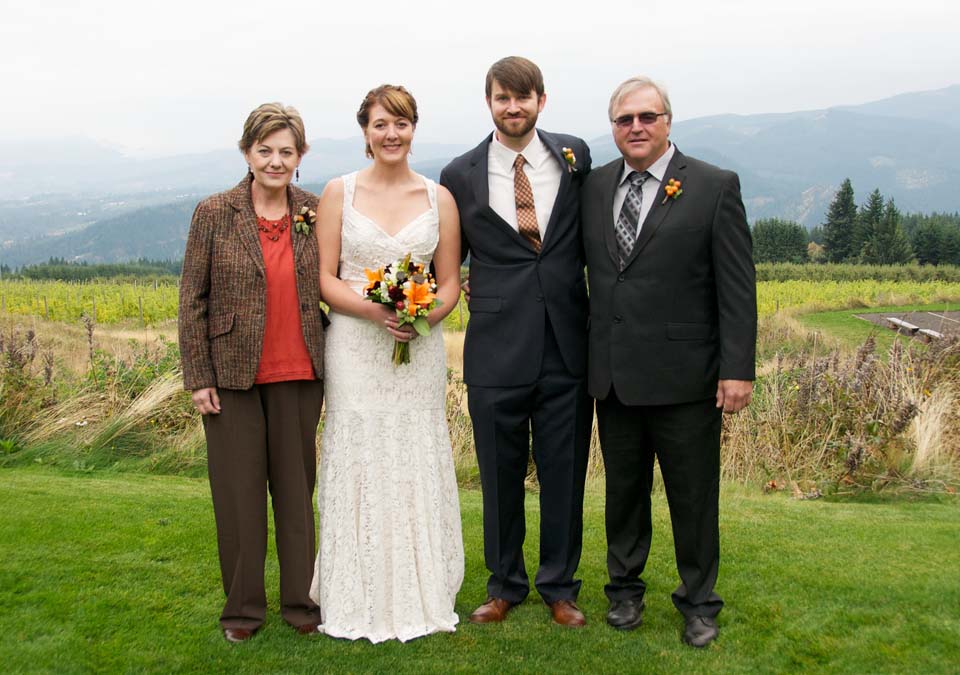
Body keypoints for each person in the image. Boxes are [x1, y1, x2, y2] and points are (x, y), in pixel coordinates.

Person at [581, 76, 757, 647]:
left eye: (647, 117)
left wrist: (738, 368)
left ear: (668, 122)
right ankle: (624, 593)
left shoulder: (712, 186)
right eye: (624, 119)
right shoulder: (595, 186)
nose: (636, 127)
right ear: (612, 127)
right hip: (615, 377)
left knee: (693, 498)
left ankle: (699, 603)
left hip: (689, 379)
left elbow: (736, 287)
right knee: (623, 495)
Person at [439, 56, 593, 627]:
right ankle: (504, 585)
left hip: (566, 346)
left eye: (523, 97)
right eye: (502, 97)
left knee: (564, 473)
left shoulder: (574, 156)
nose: (513, 107)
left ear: (541, 101)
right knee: (498, 476)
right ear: (489, 103)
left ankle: (560, 587)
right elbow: (448, 260)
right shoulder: (459, 174)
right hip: (496, 347)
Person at [308, 85, 464, 643]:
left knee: (413, 446)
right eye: (380, 125)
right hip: (355, 344)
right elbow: (325, 278)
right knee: (360, 446)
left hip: (417, 348)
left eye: (401, 124)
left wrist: (421, 312)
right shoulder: (338, 193)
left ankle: (422, 583)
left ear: (414, 129)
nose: (391, 134)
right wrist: (378, 314)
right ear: (365, 132)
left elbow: (450, 285)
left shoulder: (439, 198)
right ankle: (355, 586)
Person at [178, 103, 325, 643]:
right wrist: (198, 376)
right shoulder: (214, 212)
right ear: (247, 153)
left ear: (300, 157)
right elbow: (192, 299)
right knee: (239, 499)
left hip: (301, 372)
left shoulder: (316, 210)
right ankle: (242, 612)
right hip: (231, 378)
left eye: (286, 151)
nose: (275, 160)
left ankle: (302, 605)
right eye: (265, 150)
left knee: (296, 496)